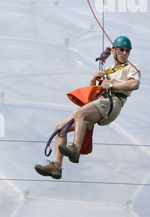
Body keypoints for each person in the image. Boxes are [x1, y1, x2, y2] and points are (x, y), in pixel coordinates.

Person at [35, 36, 140, 180]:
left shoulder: (130, 68)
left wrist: (111, 85)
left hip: (113, 102)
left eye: (127, 51)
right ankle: (56, 166)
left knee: (79, 113)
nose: (125, 53)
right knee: (60, 127)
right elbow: (94, 93)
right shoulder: (108, 70)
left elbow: (134, 84)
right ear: (114, 51)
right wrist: (93, 79)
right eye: (121, 49)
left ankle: (75, 149)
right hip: (101, 102)